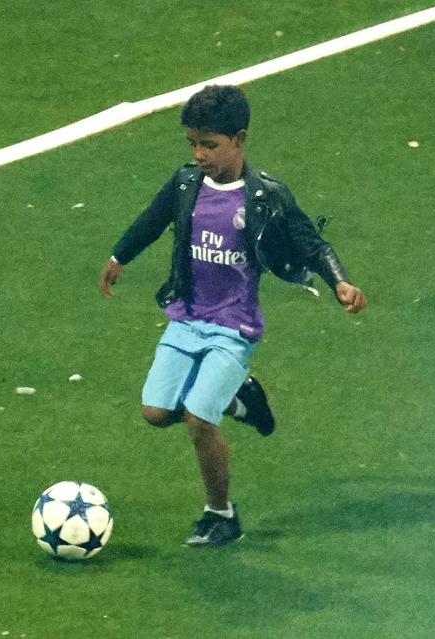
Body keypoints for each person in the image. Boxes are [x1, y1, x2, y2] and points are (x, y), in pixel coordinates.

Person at [98, 84, 367, 548]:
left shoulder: (266, 197)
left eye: (210, 144)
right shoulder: (185, 185)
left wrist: (339, 280)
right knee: (157, 412)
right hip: (186, 317)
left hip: (233, 327)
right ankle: (242, 399)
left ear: (239, 139)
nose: (200, 154)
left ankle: (221, 514)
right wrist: (119, 257)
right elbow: (152, 219)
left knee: (199, 419)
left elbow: (311, 242)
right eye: (193, 144)